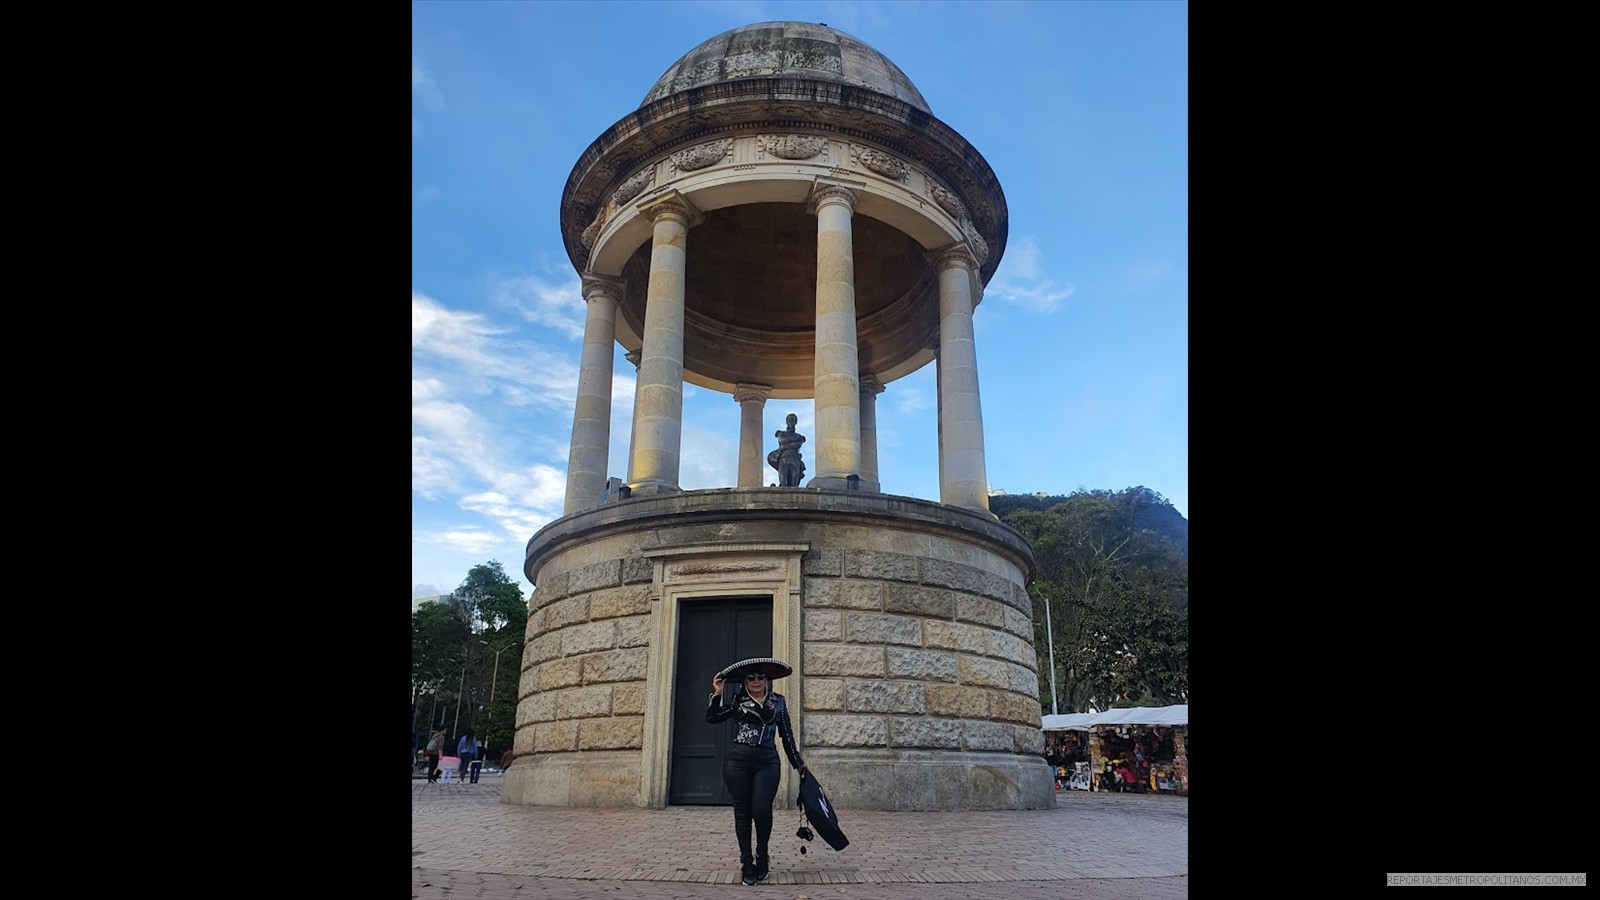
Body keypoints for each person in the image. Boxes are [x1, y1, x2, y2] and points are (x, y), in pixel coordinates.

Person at [707, 658, 808, 885]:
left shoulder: (778, 703)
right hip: (737, 764)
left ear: (766, 679)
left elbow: (787, 736)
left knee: (762, 810)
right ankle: (746, 862)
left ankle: (762, 855)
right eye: (751, 677)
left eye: (760, 677)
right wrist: (717, 692)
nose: (756, 681)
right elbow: (712, 718)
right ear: (745, 681)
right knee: (742, 813)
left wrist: (798, 762)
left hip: (767, 762)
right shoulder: (736, 701)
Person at [767, 413, 807, 487]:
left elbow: (797, 445)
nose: (791, 421)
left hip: (795, 459)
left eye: (793, 420)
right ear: (786, 422)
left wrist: (784, 446)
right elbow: (782, 440)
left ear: (796, 422)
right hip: (783, 459)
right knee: (783, 482)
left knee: (794, 484)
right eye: (789, 420)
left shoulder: (799, 437)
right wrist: (792, 442)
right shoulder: (783, 434)